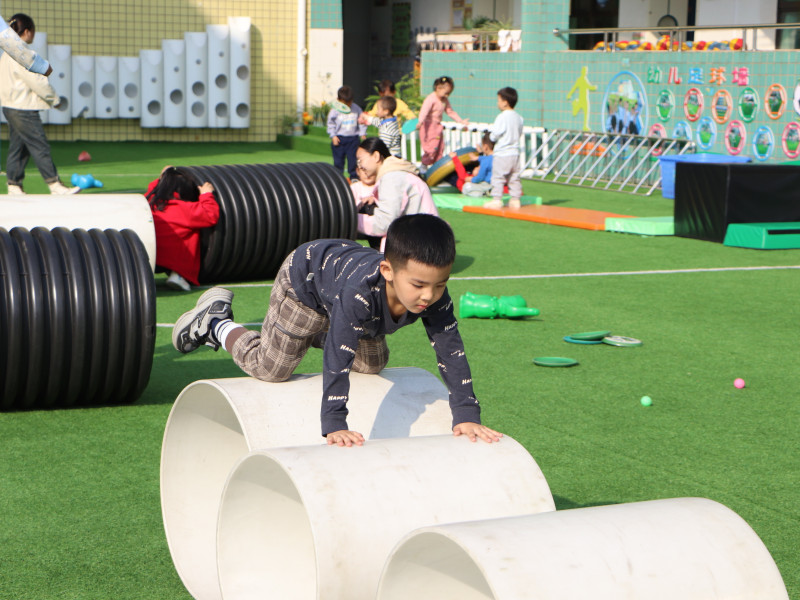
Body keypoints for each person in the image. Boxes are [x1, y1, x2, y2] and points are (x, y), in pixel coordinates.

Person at [172, 213, 503, 447]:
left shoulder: (434, 297)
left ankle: (330, 329)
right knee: (271, 368)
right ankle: (215, 322)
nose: (429, 295)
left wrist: (466, 414)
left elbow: (450, 349)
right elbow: (338, 357)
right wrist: (335, 423)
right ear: (388, 270)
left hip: (342, 295)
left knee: (372, 365)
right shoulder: (360, 293)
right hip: (306, 285)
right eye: (418, 285)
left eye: (440, 284)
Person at [0, 13, 77, 195]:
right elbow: (37, 81)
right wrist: (55, 100)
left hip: (9, 105)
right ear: (27, 31)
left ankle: (14, 184)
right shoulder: (21, 53)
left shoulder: (6, 54)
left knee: (19, 146)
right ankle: (54, 184)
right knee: (38, 144)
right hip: (23, 107)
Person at [355, 137, 437, 250]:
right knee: (369, 208)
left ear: (376, 156)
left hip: (419, 247)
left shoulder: (391, 178)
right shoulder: (397, 172)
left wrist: (352, 219)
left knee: (366, 210)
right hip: (427, 240)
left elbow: (384, 223)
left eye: (360, 160)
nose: (359, 166)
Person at [146, 166, 219, 291]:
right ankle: (179, 275)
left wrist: (164, 177)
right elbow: (210, 215)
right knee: (191, 232)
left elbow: (153, 189)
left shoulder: (150, 202)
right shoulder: (184, 209)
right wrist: (206, 195)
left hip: (149, 257)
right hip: (174, 260)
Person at [483, 87, 524, 210]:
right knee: (514, 177)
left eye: (499, 100)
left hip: (502, 153)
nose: (498, 103)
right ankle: (515, 199)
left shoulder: (502, 117)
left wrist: (491, 137)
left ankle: (496, 200)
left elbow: (495, 134)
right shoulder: (519, 118)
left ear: (505, 102)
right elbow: (519, 132)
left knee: (498, 177)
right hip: (515, 153)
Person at [417, 76, 469, 167]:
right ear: (438, 88)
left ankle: (437, 166)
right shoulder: (431, 99)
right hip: (429, 126)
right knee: (431, 147)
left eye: (449, 94)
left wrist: (460, 121)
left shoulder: (444, 100)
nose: (447, 96)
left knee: (440, 147)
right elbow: (424, 110)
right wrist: (420, 121)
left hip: (437, 126)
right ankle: (424, 165)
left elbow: (450, 111)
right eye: (446, 93)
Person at [327, 85, 366, 181]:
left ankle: (354, 177)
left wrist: (362, 133)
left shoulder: (356, 109)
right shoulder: (335, 111)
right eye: (345, 103)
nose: (348, 105)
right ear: (339, 100)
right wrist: (333, 136)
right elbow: (331, 123)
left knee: (353, 160)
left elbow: (361, 120)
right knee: (338, 161)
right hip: (339, 138)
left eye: (349, 102)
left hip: (353, 139)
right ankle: (338, 178)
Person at [450, 132, 495, 197]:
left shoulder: (485, 161)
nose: (478, 167)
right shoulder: (497, 157)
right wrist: (480, 153)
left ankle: (484, 193)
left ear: (485, 147)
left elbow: (480, 177)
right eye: (477, 167)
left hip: (485, 185)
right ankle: (485, 193)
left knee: (466, 187)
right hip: (491, 185)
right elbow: (487, 160)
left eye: (478, 167)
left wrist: (454, 158)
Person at [349, 165, 382, 249]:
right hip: (357, 223)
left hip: (374, 224)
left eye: (370, 170)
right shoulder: (354, 187)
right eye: (363, 170)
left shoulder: (380, 187)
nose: (367, 174)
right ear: (358, 171)